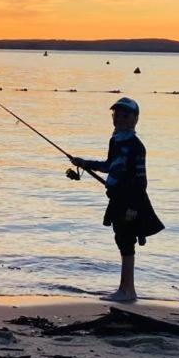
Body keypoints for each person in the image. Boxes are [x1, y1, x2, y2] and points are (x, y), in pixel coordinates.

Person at [71, 97, 163, 302]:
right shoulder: (115, 140)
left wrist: (133, 206)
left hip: (130, 199)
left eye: (125, 115)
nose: (120, 118)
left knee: (126, 240)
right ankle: (125, 289)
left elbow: (141, 180)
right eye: (116, 115)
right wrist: (84, 163)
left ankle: (127, 290)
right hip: (117, 197)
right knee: (121, 238)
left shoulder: (136, 146)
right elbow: (109, 166)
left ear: (135, 119)